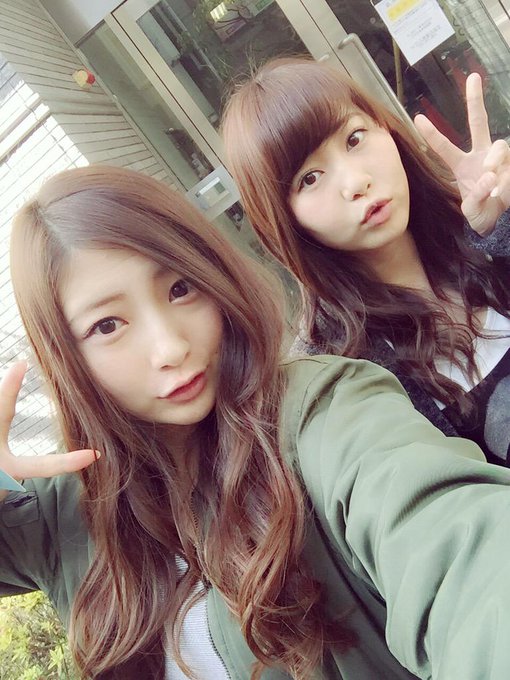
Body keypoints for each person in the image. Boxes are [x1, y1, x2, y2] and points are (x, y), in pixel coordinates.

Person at [3, 165, 510, 680]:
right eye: (108, 325)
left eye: (180, 288)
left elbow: (460, 550)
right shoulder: (65, 512)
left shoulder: (320, 410)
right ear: (64, 357)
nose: (170, 348)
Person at [221, 56, 510, 466]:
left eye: (354, 139)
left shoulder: (484, 229)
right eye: (309, 178)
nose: (356, 182)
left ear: (385, 129)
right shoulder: (337, 376)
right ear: (285, 220)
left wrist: (502, 226)